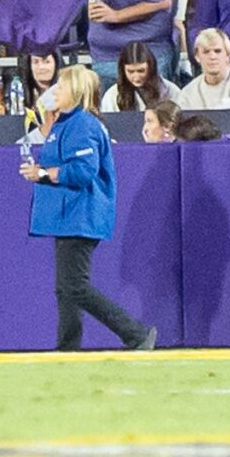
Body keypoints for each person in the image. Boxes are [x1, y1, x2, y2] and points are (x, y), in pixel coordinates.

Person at [20, 63, 153, 351]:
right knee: (66, 289)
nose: (56, 90)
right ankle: (68, 348)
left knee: (75, 287)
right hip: (68, 215)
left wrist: (43, 173)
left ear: (77, 92)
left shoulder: (83, 125)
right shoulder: (65, 123)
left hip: (80, 214)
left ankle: (135, 333)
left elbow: (83, 171)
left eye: (63, 86)